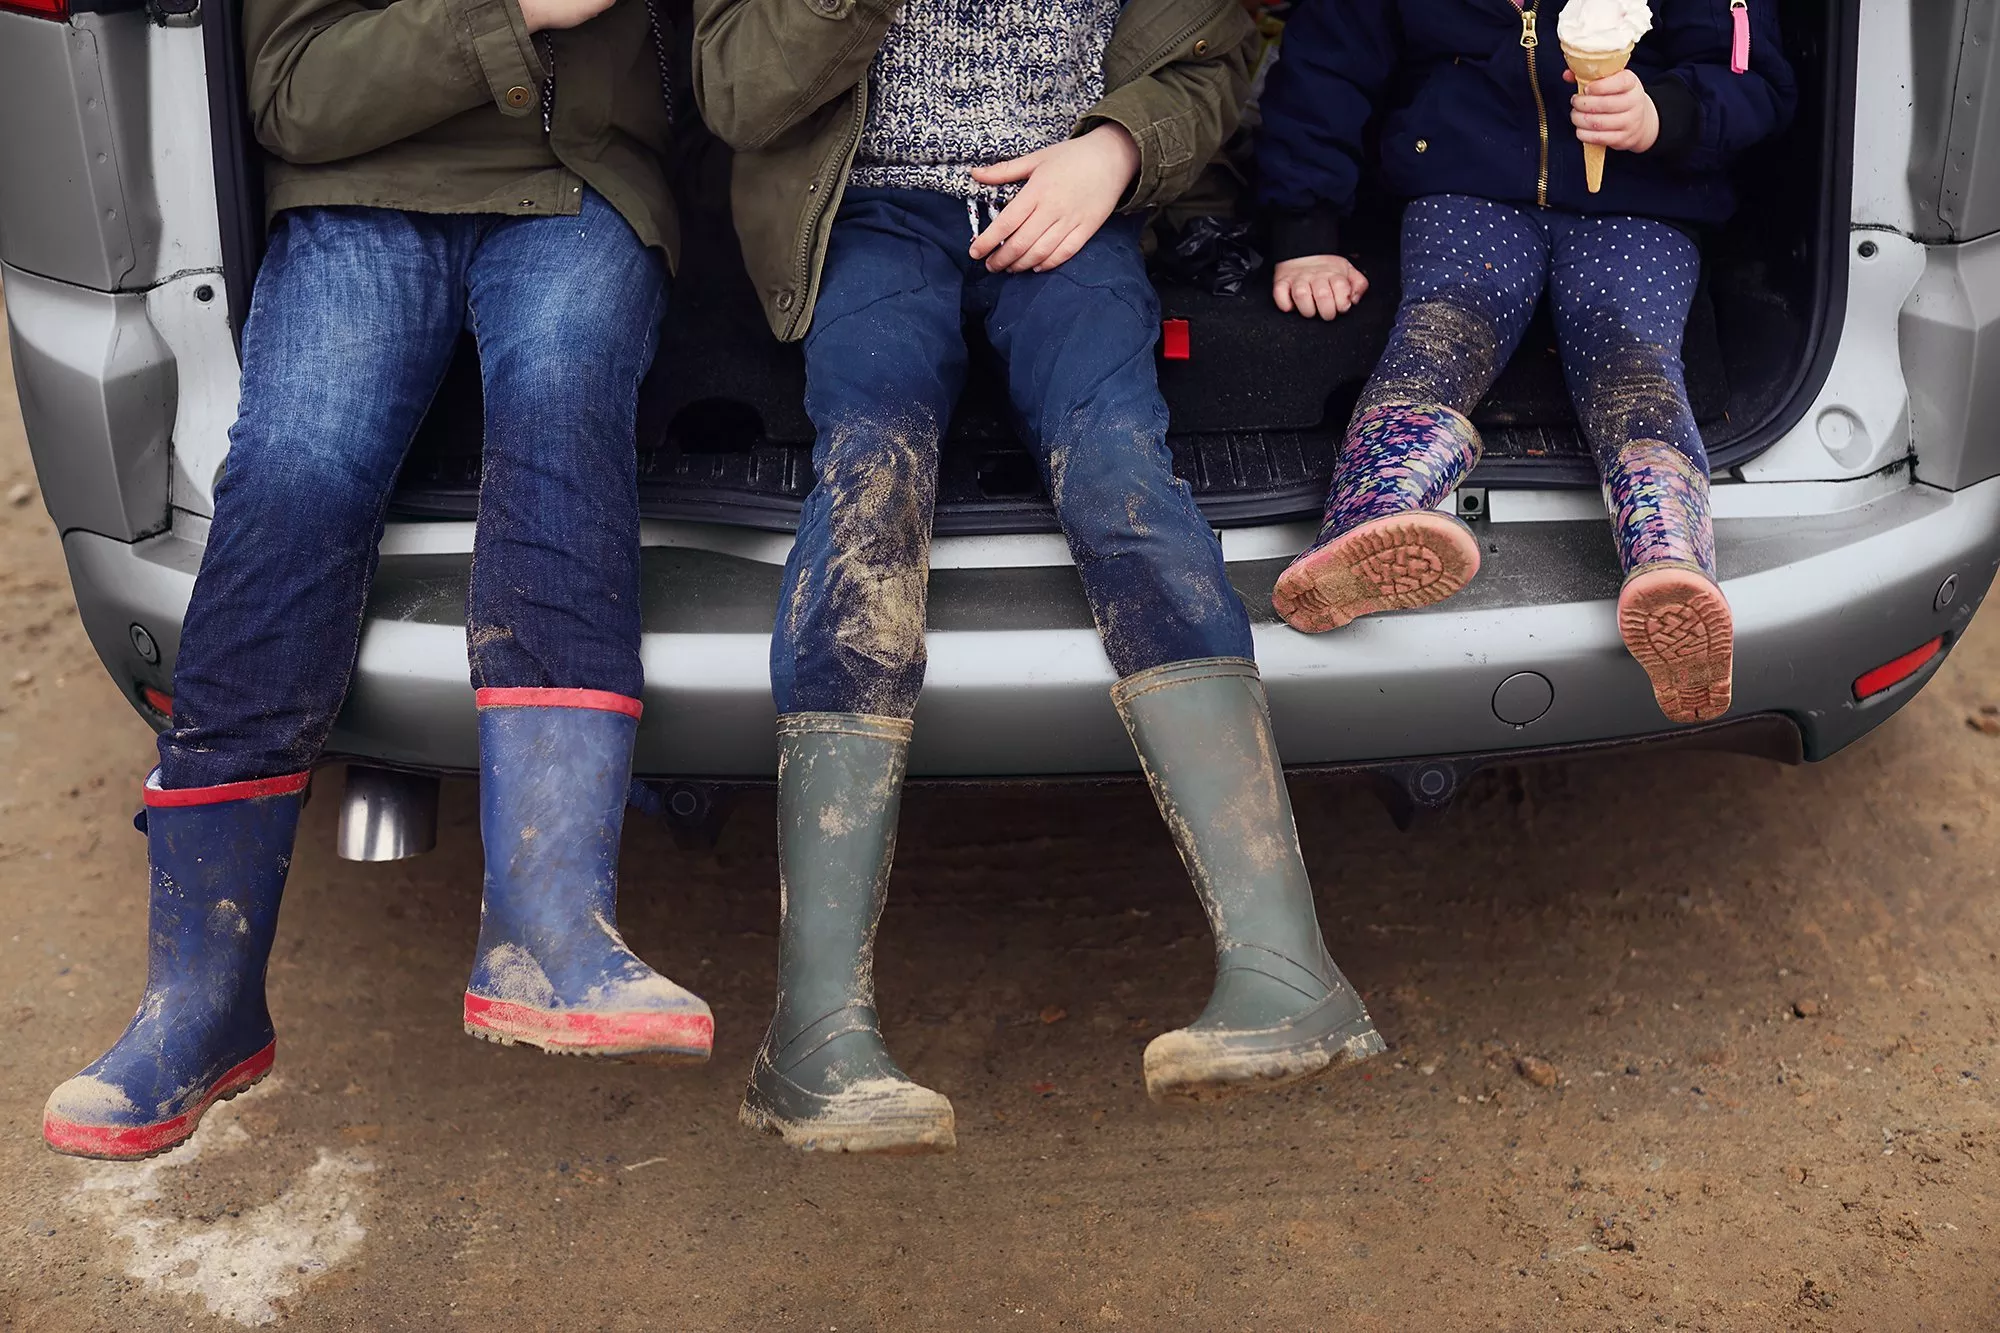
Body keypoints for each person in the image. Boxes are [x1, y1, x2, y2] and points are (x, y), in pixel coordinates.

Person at [692, 0, 1386, 1156]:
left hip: (1066, 210)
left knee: (1121, 473)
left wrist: (1112, 151)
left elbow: (1212, 60)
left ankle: (1289, 973)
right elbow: (739, 96)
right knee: (870, 485)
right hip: (866, 217)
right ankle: (813, 1037)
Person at [41, 0, 711, 1161]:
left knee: (560, 396)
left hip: (580, 188)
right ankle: (199, 1001)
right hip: (358, 192)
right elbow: (289, 94)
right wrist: (519, 17)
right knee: (295, 471)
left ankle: (549, 931)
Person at [1257, 0, 1797, 724]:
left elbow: (1753, 74)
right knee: (1444, 327)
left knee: (1632, 358)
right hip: (1466, 182)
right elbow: (1326, 67)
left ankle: (1668, 559)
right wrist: (1305, 223)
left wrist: (1665, 116)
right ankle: (1369, 518)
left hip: (1641, 196)